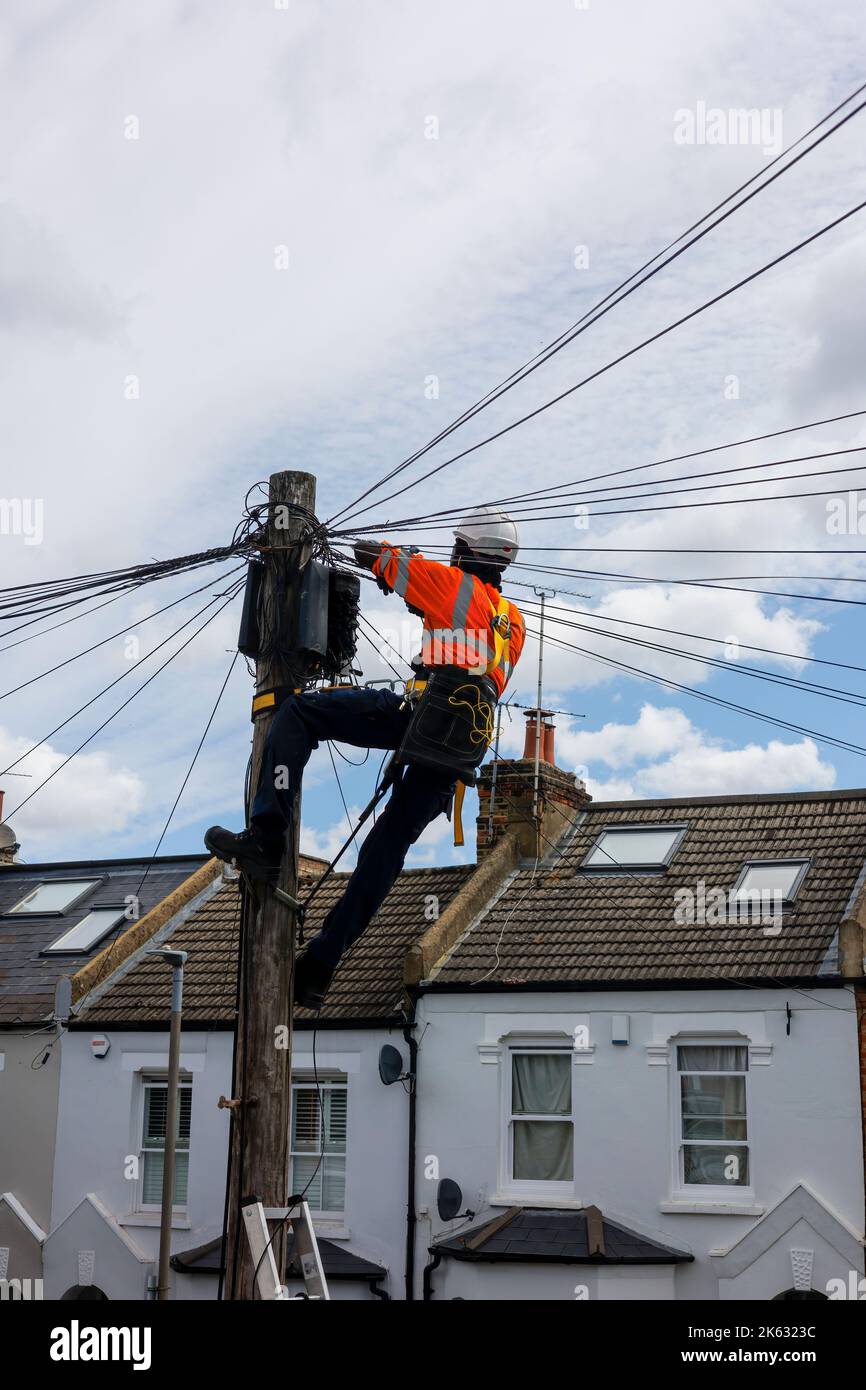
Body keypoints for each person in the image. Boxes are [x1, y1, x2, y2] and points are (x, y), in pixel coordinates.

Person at [205, 506, 524, 1008]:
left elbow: (372, 554)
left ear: (465, 550)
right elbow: (463, 641)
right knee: (385, 850)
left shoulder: (449, 584)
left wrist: (397, 561)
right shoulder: (513, 622)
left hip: (419, 716)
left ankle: (266, 838)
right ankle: (320, 965)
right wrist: (419, 599)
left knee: (298, 714)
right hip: (461, 748)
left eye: (455, 546)